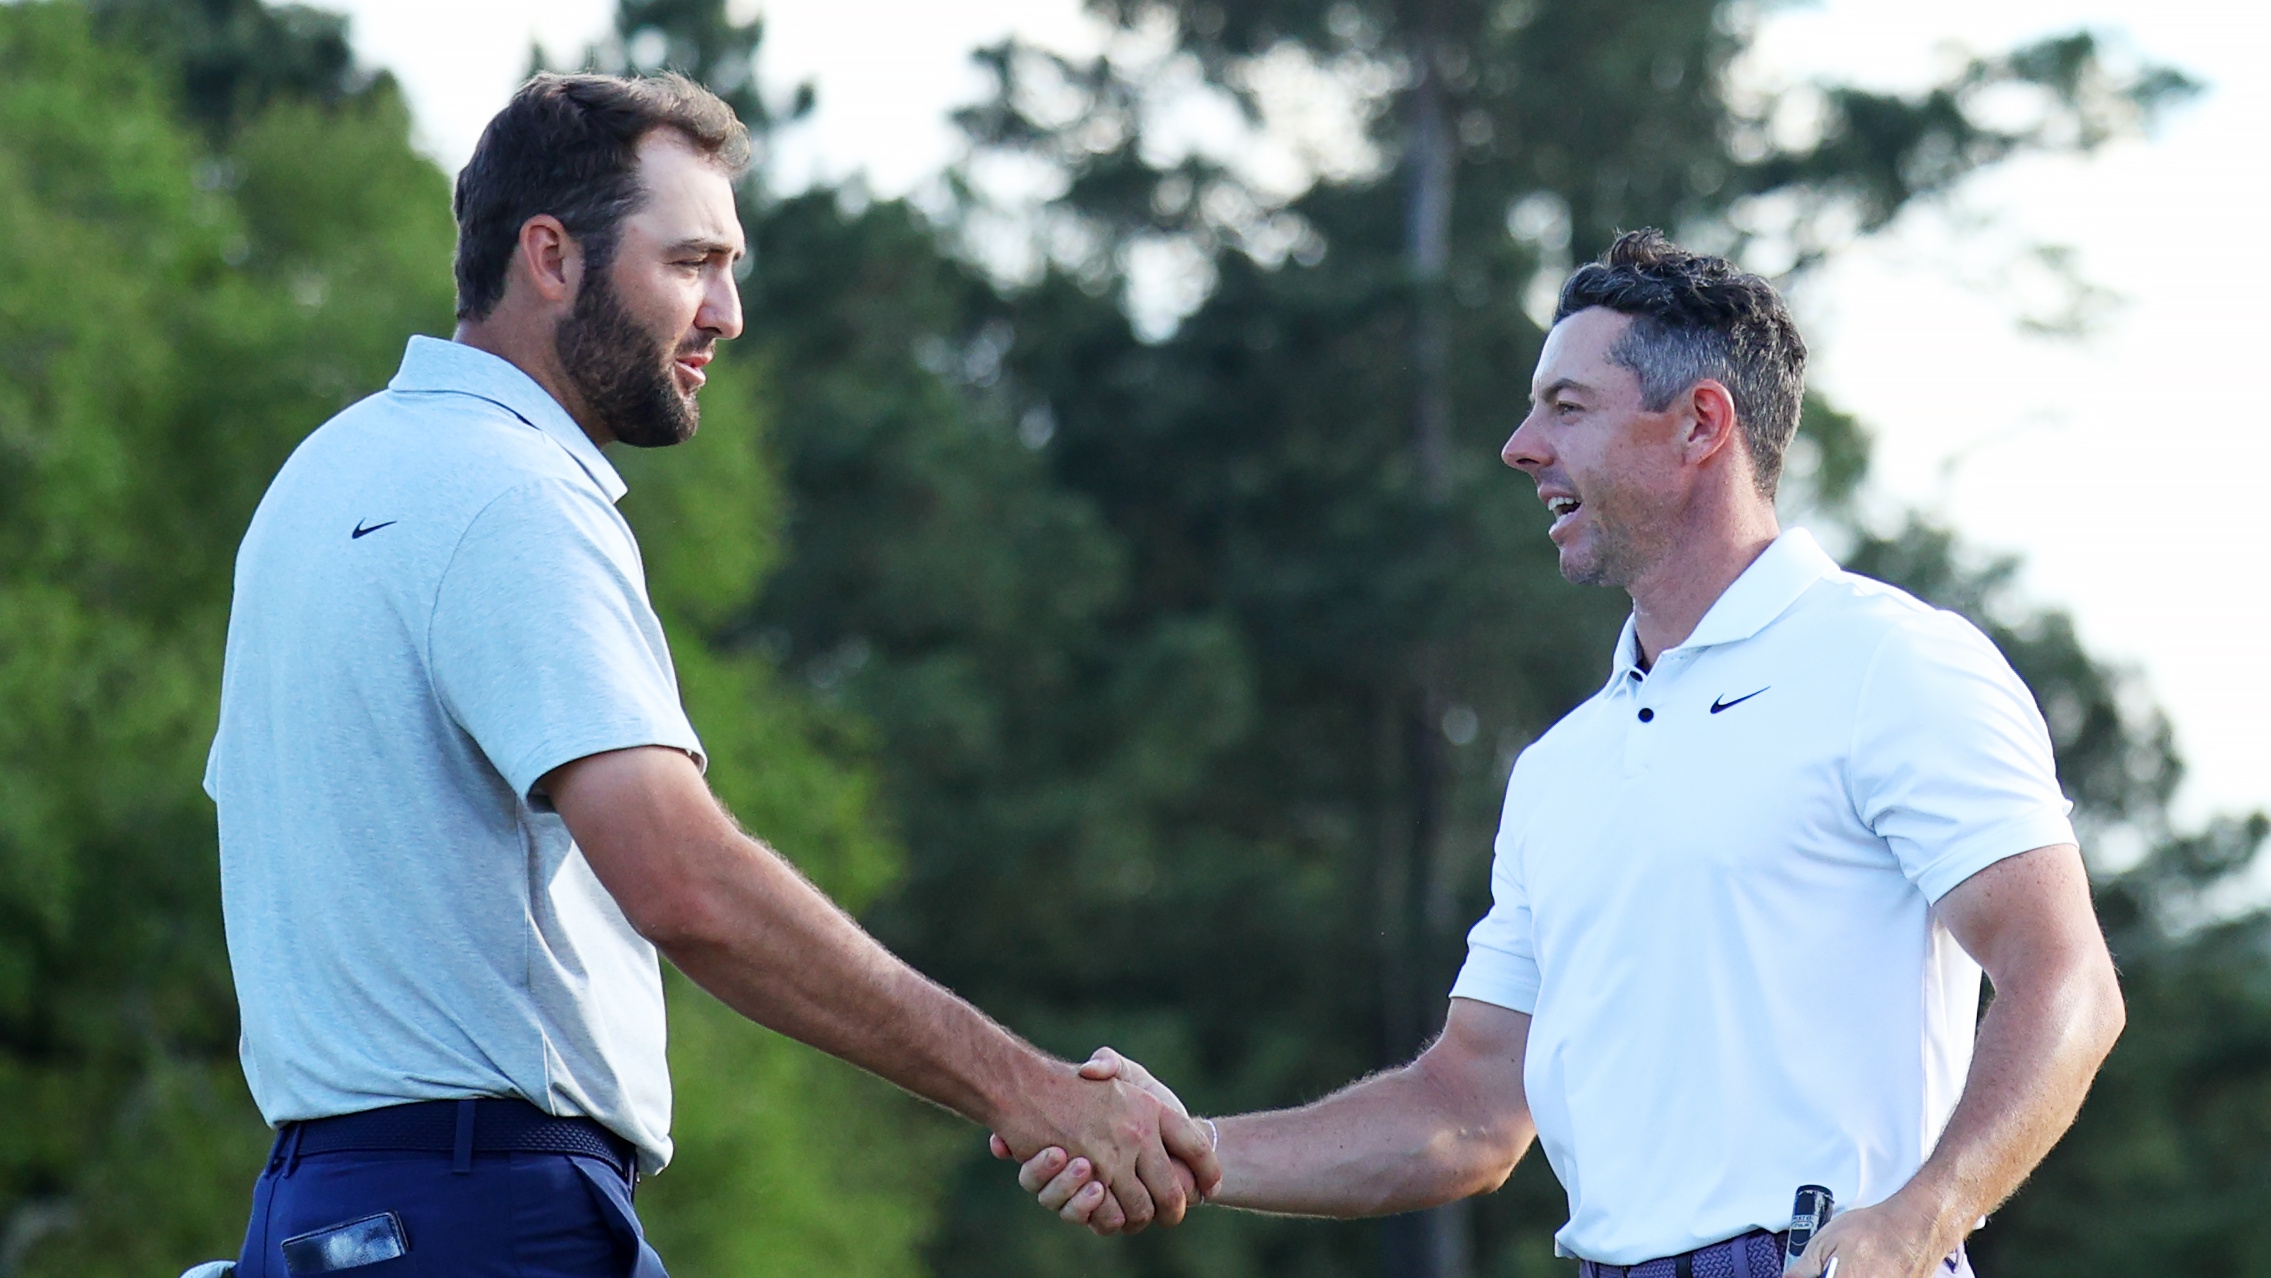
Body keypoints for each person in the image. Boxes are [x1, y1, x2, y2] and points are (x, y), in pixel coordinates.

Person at [203, 72, 1215, 1277]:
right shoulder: (513, 495)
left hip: (317, 1211)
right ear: (550, 256)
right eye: (690, 263)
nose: (727, 313)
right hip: (485, 1211)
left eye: (729, 267)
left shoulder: (320, 479)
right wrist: (1029, 1089)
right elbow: (682, 881)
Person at [1001, 230, 2126, 1278]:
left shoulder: (1894, 664)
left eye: (1567, 407)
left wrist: (1925, 1216)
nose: (1520, 445)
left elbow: (2066, 981)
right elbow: (1468, 1110)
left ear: (1700, 425)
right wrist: (1192, 1148)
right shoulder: (1558, 768)